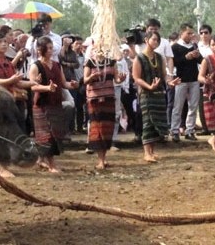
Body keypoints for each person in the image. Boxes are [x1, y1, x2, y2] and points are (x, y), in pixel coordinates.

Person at [0, 33, 38, 177]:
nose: (4, 44)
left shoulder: (7, 62)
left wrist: (33, 82)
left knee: (13, 132)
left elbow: (17, 82)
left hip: (11, 102)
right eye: (0, 41)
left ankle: (6, 163)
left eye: (5, 42)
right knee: (0, 134)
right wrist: (11, 80)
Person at [29, 36, 79, 173]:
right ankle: (52, 165)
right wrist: (46, 88)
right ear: (40, 50)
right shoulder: (35, 66)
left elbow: (63, 84)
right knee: (47, 135)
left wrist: (72, 85)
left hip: (55, 103)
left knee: (55, 133)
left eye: (52, 48)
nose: (51, 51)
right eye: (49, 48)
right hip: (42, 105)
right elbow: (32, 86)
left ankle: (40, 160)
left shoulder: (57, 65)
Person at [133, 31, 180, 162]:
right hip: (146, 94)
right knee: (148, 122)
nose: (156, 42)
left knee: (156, 123)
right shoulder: (139, 58)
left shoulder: (160, 57)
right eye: (153, 39)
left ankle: (152, 151)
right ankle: (146, 153)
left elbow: (164, 75)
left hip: (159, 94)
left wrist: (170, 82)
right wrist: (149, 87)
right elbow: (136, 78)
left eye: (157, 40)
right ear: (146, 40)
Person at [84, 49, 126, 170]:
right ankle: (100, 160)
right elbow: (85, 80)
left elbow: (116, 79)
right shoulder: (90, 62)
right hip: (94, 99)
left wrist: (121, 80)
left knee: (107, 128)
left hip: (108, 98)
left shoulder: (111, 62)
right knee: (97, 128)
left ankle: (104, 159)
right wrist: (92, 77)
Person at [170, 23, 203, 142]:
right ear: (181, 33)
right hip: (180, 80)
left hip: (194, 79)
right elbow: (174, 63)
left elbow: (201, 61)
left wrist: (197, 55)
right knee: (177, 106)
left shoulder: (194, 46)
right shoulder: (175, 47)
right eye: (188, 33)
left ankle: (190, 130)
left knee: (193, 106)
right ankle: (174, 130)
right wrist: (186, 57)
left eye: (191, 33)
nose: (190, 35)